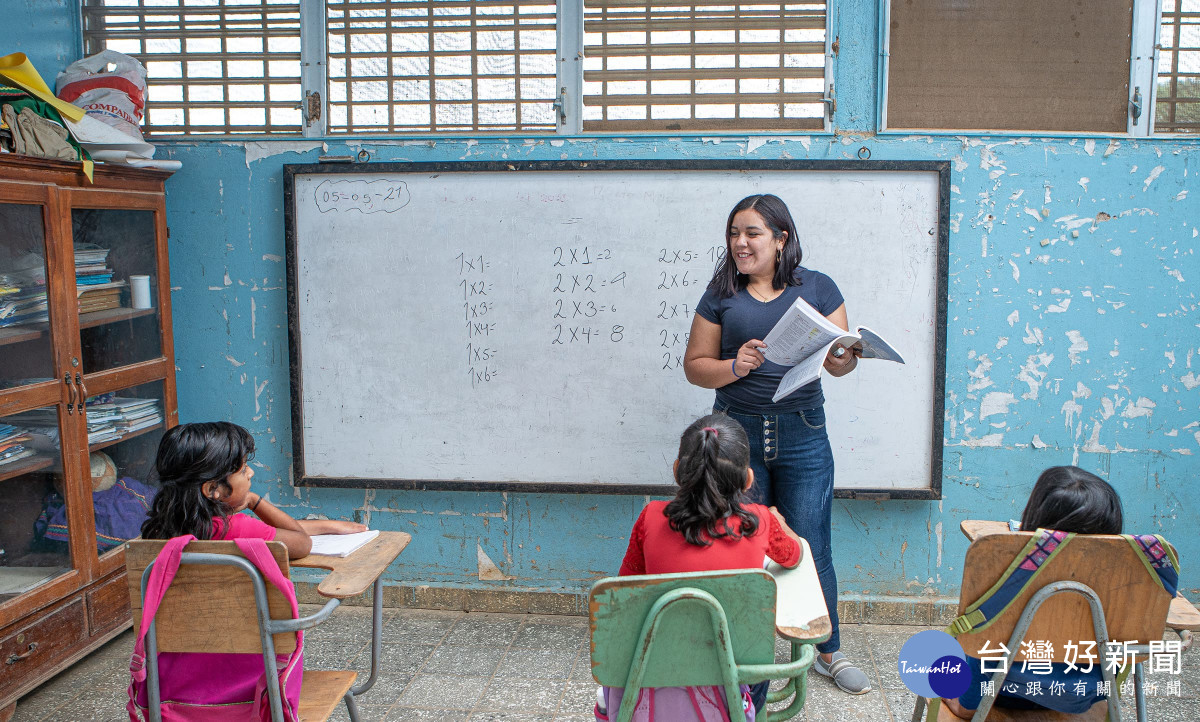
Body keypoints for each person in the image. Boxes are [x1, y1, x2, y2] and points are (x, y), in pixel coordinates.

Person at [682, 193, 869, 694]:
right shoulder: (721, 293)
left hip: (802, 430)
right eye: (734, 233)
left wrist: (843, 358)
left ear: (781, 238)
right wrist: (734, 366)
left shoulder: (819, 287)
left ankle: (827, 651)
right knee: (742, 544)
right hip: (737, 433)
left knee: (810, 544)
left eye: (752, 234)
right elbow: (695, 366)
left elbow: (839, 359)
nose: (739, 243)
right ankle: (748, 656)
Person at [598, 413, 805, 720]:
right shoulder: (761, 520)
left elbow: (627, 588)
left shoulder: (651, 517)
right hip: (736, 673)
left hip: (657, 666)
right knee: (757, 664)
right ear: (748, 478)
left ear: (678, 471)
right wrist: (780, 521)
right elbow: (794, 555)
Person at [943, 466, 1124, 719]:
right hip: (1085, 696)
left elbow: (982, 645)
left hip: (997, 693)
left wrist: (966, 706)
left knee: (972, 635)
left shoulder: (1004, 559)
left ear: (1034, 511)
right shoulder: (1127, 569)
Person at [140, 421, 365, 558]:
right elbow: (302, 544)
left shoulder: (162, 527)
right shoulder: (235, 528)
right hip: (249, 633)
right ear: (212, 489)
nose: (251, 474)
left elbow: (267, 530)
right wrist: (254, 501)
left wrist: (326, 526)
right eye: (243, 469)